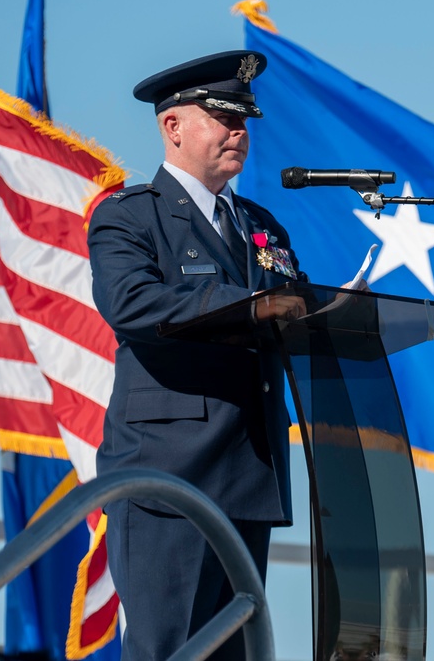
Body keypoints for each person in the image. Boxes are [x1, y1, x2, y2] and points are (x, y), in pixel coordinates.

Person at [87, 50, 307, 660]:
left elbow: (291, 314)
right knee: (170, 651)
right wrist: (251, 308)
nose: (239, 131)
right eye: (223, 117)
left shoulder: (262, 228)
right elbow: (133, 304)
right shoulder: (130, 217)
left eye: (244, 120)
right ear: (173, 127)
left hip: (248, 476)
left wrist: (328, 315)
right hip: (169, 476)